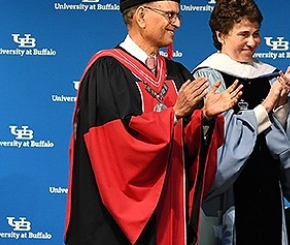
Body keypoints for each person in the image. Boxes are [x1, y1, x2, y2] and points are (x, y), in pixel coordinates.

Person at [66, 0, 241, 244]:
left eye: (178, 16)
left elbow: (189, 149)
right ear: (140, 16)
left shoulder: (178, 74)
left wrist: (205, 118)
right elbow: (113, 144)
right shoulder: (107, 71)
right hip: (117, 225)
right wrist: (173, 115)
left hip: (169, 213)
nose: (177, 23)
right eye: (169, 15)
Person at [192, 0, 290, 244]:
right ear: (221, 34)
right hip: (227, 194)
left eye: (256, 34)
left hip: (267, 185)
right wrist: (265, 107)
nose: (252, 41)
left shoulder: (269, 76)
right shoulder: (208, 77)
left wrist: (283, 103)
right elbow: (217, 142)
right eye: (243, 34)